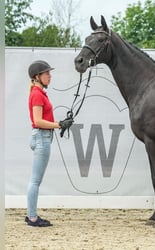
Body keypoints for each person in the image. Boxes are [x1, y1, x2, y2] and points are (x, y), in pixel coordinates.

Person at [26, 60, 73, 227]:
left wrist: (59, 124)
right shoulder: (37, 94)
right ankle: (32, 217)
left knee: (35, 180)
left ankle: (31, 215)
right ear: (37, 76)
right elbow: (38, 121)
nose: (50, 76)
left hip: (42, 136)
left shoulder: (39, 93)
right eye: (47, 73)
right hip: (41, 137)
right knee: (35, 181)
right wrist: (59, 124)